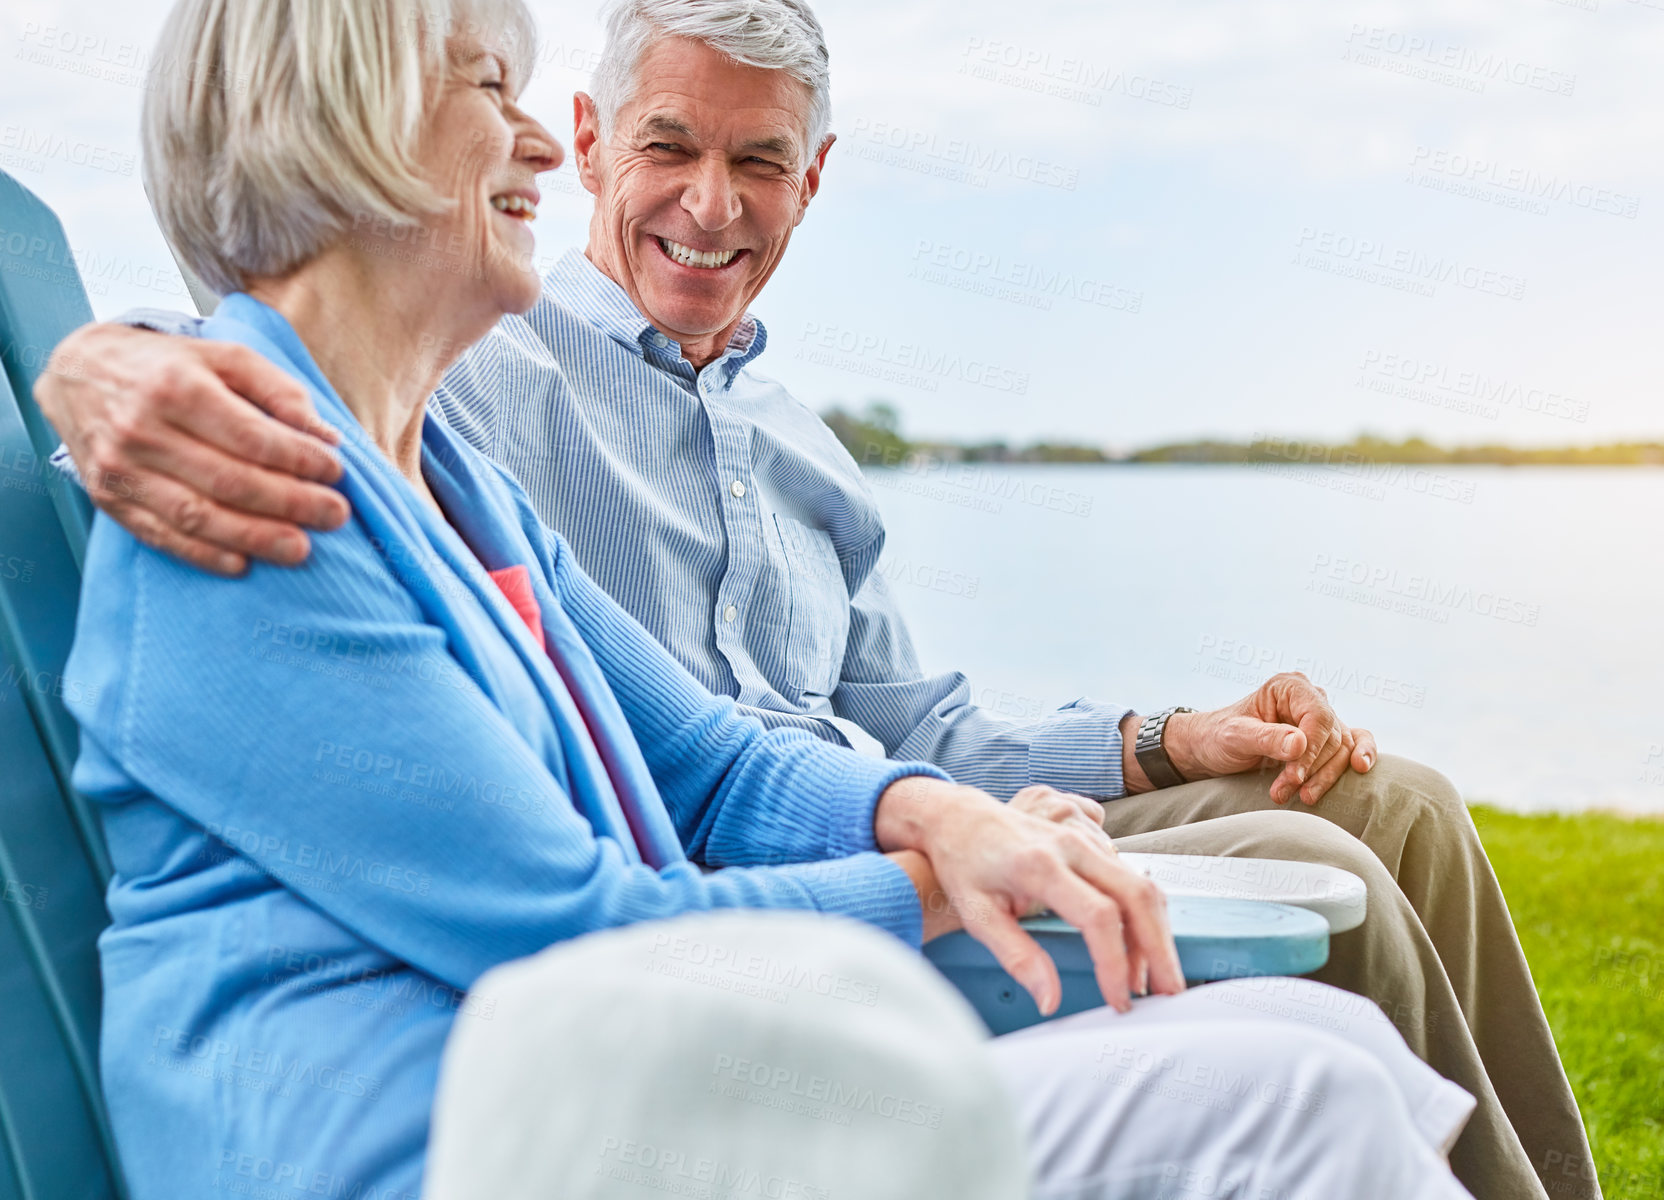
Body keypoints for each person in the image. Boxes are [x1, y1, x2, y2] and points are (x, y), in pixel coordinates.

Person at [36, 1, 1592, 1196]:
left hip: (667, 1030)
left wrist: (984, 802)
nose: (705, 201)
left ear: (812, 181)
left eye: (761, 161)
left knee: (1352, 947)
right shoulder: (292, 482)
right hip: (490, 1120)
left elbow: (735, 757)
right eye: (492, 94)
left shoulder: (463, 477)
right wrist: (104, 364)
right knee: (1309, 1068)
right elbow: (583, 929)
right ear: (351, 127)